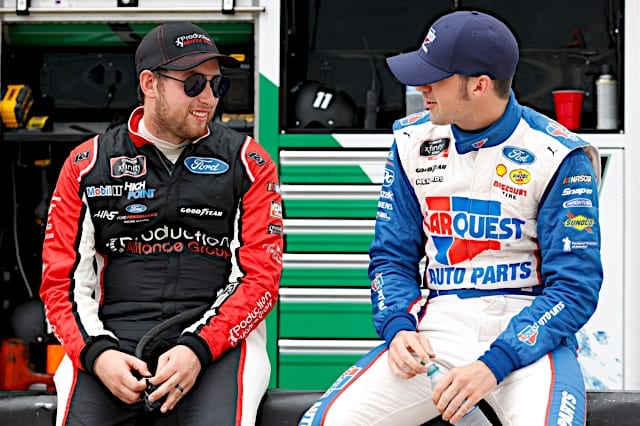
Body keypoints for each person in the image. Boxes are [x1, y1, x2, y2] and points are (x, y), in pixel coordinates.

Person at [299, 10, 602, 426]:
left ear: (479, 85)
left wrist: (495, 363)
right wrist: (398, 327)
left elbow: (574, 288)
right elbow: (391, 257)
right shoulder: (410, 142)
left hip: (530, 339)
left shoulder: (558, 154)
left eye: (435, 77)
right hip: (435, 330)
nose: (420, 87)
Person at [40, 22, 283, 426]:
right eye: (192, 84)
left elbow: (261, 279)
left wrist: (198, 349)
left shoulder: (248, 162)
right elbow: (60, 283)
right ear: (150, 83)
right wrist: (96, 354)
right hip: (112, 343)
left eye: (216, 85)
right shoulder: (88, 164)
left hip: (217, 345)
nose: (208, 98)